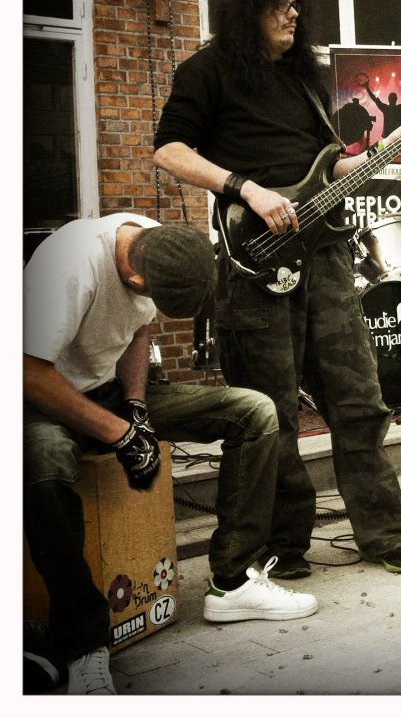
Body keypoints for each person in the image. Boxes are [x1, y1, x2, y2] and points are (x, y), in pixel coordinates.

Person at [154, 0, 401, 580]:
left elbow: (325, 167)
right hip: (253, 261)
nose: (293, 14)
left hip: (324, 254)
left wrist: (380, 153)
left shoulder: (307, 78)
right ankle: (285, 543)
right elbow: (168, 150)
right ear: (248, 11)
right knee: (272, 410)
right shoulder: (207, 70)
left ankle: (383, 532)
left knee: (359, 399)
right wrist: (245, 189)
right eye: (280, 5)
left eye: (296, 4)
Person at [24, 217, 318, 695]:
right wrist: (119, 434)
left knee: (254, 412)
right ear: (136, 276)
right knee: (44, 465)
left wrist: (136, 408)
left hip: (108, 393)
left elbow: (137, 332)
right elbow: (26, 372)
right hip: (41, 400)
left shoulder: (162, 244)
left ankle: (231, 583)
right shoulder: (68, 265)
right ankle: (82, 645)